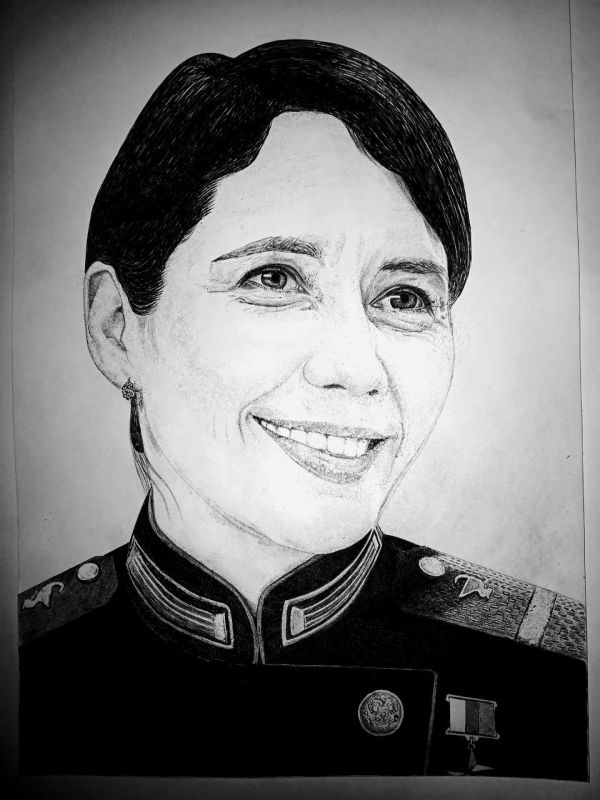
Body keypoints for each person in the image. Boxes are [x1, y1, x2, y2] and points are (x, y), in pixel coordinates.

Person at [18, 39, 587, 779]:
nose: (356, 369)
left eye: (404, 297)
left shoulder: (557, 675)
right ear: (117, 328)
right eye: (274, 279)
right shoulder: (30, 668)